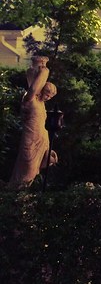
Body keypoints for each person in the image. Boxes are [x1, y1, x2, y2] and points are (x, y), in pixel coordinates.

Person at [8, 56, 59, 188]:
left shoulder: (41, 104)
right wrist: (44, 68)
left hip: (42, 138)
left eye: (50, 96)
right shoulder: (30, 99)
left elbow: (32, 80)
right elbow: (33, 86)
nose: (47, 97)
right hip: (30, 139)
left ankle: (21, 195)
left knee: (35, 170)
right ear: (41, 89)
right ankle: (16, 194)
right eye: (47, 94)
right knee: (27, 168)